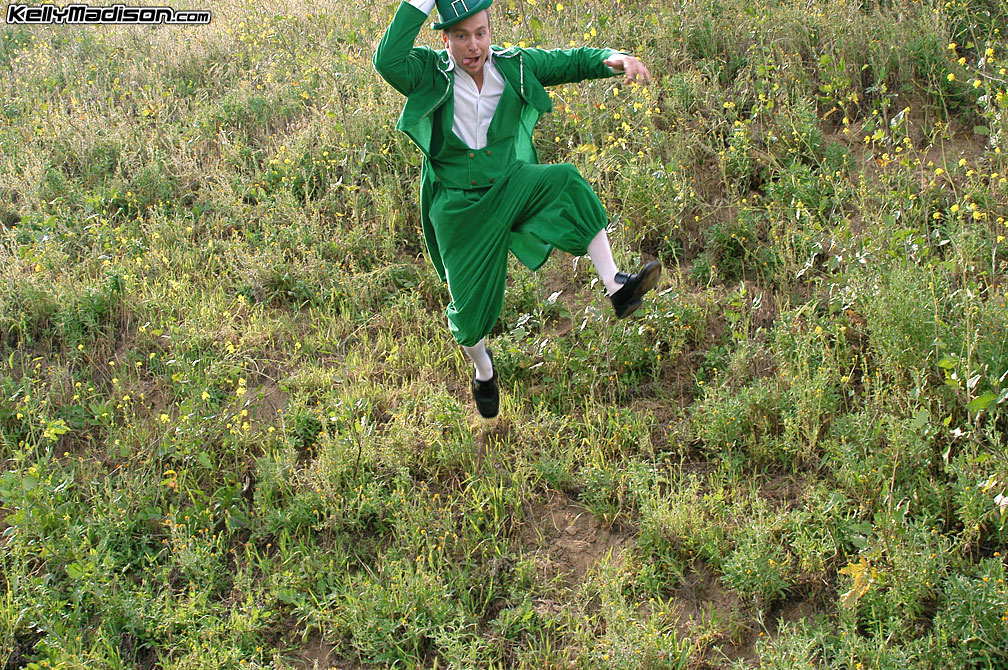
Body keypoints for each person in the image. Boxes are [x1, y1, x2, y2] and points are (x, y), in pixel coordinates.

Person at [373, 0, 661, 419]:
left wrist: (612, 59)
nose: (473, 45)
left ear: (490, 33)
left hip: (509, 184)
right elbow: (387, 60)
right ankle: (483, 370)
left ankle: (616, 284)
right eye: (461, 36)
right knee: (470, 316)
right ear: (446, 40)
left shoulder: (516, 66)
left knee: (565, 180)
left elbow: (569, 62)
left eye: (480, 33)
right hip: (458, 208)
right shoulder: (428, 72)